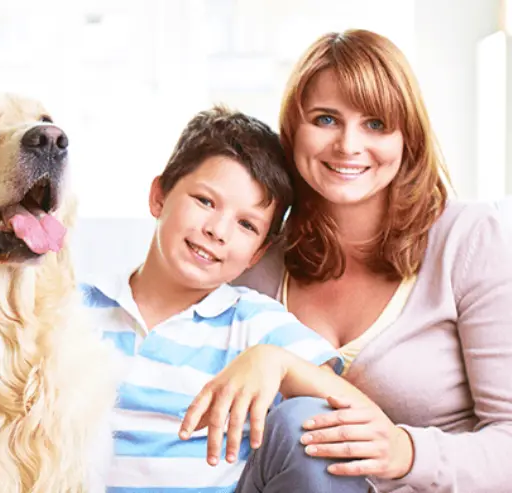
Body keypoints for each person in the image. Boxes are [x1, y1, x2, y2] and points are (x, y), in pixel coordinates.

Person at [225, 29, 512, 492]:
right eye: (325, 119)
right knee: (301, 422)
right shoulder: (256, 261)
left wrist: (406, 452)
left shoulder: (468, 238)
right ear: (292, 129)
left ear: (407, 138)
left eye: (375, 124)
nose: (348, 145)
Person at [83, 105, 371, 492]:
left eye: (246, 224)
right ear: (158, 196)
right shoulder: (74, 306)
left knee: (314, 418)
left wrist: (276, 361)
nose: (218, 231)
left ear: (257, 253)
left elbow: (358, 414)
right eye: (205, 201)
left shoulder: (252, 323)